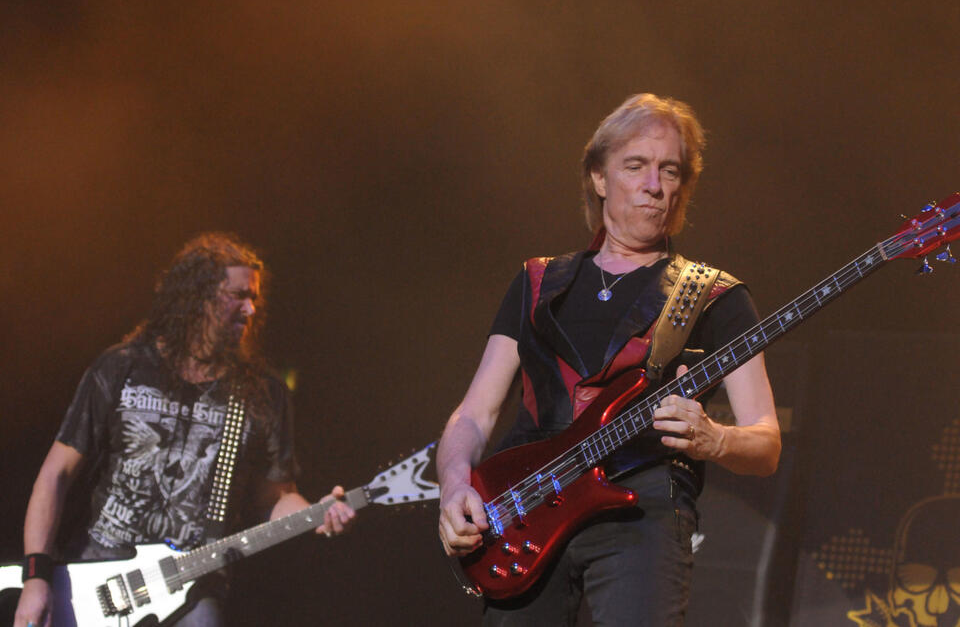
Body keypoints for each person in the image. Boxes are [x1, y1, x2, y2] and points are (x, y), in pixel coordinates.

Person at [437, 93, 781, 625]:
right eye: (636, 166)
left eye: (670, 170)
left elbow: (766, 442)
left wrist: (715, 439)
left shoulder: (716, 296)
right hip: (527, 504)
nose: (654, 185)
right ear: (599, 177)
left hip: (643, 506)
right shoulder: (537, 281)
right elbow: (475, 413)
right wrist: (456, 484)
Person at [14, 233, 355, 627]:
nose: (250, 309)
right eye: (238, 295)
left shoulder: (262, 392)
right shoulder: (122, 367)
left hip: (193, 587)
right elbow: (55, 475)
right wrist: (36, 577)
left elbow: (275, 496)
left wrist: (317, 514)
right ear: (199, 297)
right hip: (97, 579)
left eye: (254, 298)